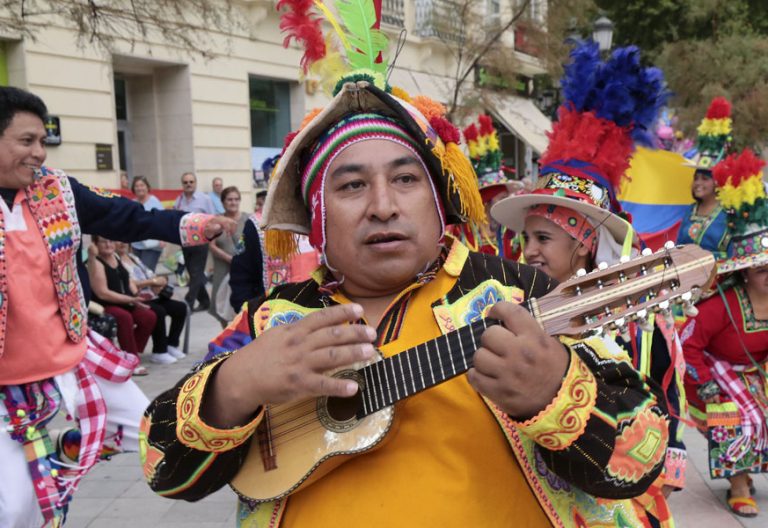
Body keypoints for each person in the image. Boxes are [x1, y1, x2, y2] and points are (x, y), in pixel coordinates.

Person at [140, 23, 669, 528]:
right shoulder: (272, 317)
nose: (384, 206)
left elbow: (642, 453)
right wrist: (235, 386)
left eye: (406, 178)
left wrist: (555, 392)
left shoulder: (520, 295)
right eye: (350, 186)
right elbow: (161, 467)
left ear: (439, 201)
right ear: (316, 218)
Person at [0, 85, 235, 527]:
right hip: (6, 389)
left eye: (42, 142)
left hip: (71, 360)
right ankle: (61, 450)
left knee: (155, 436)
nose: (39, 154)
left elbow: (125, 216)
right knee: (16, 511)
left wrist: (193, 225)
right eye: (26, 141)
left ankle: (73, 443)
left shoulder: (57, 191)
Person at [492, 42, 686, 524]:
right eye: (526, 237)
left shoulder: (639, 325)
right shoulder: (506, 303)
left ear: (582, 244)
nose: (529, 249)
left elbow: (663, 412)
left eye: (543, 238)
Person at [681, 148, 768, 518]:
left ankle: (748, 471)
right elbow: (688, 346)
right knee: (734, 411)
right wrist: (705, 383)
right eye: (762, 268)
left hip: (757, 372)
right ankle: (737, 483)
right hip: (715, 373)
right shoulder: (720, 306)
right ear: (745, 271)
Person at [455, 114, 521, 259]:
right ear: (485, 202)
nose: (507, 202)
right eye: (502, 198)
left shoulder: (512, 232)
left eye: (507, 197)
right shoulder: (462, 232)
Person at [677, 97, 733, 259]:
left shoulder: (729, 213)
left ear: (718, 182)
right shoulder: (690, 210)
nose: (698, 183)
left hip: (721, 279)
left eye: (705, 179)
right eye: (696, 178)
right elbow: (678, 246)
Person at [115, 241, 188, 365]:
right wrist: (152, 282)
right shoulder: (115, 260)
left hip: (152, 294)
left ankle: (171, 344)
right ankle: (159, 351)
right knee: (158, 311)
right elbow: (128, 283)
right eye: (118, 242)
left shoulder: (133, 257)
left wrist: (159, 280)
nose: (122, 244)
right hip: (136, 298)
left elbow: (150, 274)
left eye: (125, 242)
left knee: (180, 308)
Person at [89, 235, 157, 358]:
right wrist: (130, 299)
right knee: (125, 318)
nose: (108, 245)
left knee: (149, 316)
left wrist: (136, 296)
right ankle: (131, 357)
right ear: (95, 244)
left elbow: (127, 280)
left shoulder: (115, 257)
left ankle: (130, 353)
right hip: (106, 304)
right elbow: (102, 293)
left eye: (111, 240)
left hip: (125, 301)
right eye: (104, 242)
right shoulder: (96, 262)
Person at [174, 171, 216, 311]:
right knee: (193, 273)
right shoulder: (178, 200)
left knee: (196, 272)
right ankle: (205, 301)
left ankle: (189, 302)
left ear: (195, 183)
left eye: (191, 182)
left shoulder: (205, 199)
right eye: (185, 182)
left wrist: (211, 238)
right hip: (185, 242)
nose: (188, 185)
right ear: (182, 184)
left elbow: (212, 218)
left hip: (200, 241)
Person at [208, 186, 249, 326]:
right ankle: (225, 338)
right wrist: (229, 259)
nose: (233, 202)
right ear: (223, 202)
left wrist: (240, 262)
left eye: (236, 199)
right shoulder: (216, 220)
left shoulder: (248, 219)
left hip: (244, 269)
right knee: (220, 304)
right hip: (222, 267)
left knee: (242, 305)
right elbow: (211, 245)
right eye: (230, 199)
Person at [130, 175, 165, 271]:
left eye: (142, 185)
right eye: (137, 186)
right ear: (133, 188)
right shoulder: (132, 203)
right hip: (136, 244)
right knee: (138, 273)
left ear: (147, 187)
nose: (139, 188)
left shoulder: (154, 201)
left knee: (147, 272)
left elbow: (163, 220)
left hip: (152, 244)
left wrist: (163, 238)